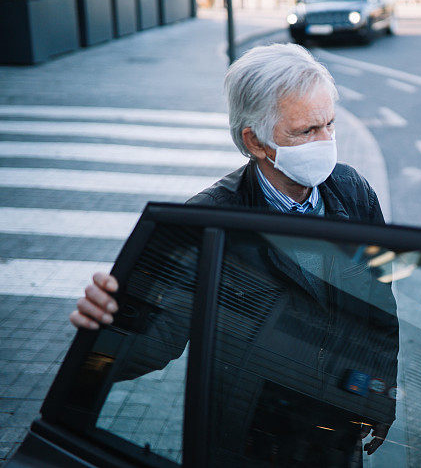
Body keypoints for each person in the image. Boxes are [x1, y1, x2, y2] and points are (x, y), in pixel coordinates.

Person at [69, 44, 398, 466]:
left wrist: (379, 393)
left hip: (336, 432)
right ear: (255, 142)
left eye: (330, 125)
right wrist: (106, 331)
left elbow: (379, 308)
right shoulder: (208, 223)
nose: (326, 142)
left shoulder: (353, 191)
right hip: (249, 442)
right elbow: (157, 339)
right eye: (306, 131)